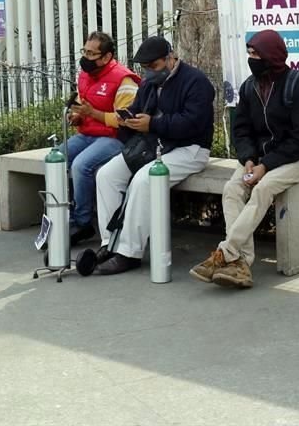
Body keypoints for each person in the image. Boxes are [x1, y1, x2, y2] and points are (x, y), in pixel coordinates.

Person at [189, 29, 299, 289]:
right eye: (249, 53)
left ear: (272, 55)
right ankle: (240, 263)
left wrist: (265, 166)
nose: (252, 59)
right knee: (232, 189)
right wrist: (248, 158)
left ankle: (225, 253)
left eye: (256, 54)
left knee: (263, 189)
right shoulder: (250, 86)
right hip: (258, 160)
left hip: (298, 159)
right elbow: (241, 129)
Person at [89, 35, 216, 275]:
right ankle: (110, 243)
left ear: (170, 57)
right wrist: (128, 120)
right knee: (106, 175)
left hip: (190, 149)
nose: (149, 72)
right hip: (152, 145)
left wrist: (153, 124)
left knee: (144, 180)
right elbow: (138, 109)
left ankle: (129, 253)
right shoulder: (148, 83)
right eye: (145, 67)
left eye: (154, 66)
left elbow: (193, 123)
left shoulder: (196, 81)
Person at [66, 32, 140, 244]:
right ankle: (60, 215)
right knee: (55, 159)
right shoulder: (85, 75)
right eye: (84, 51)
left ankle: (82, 223)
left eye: (91, 53)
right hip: (87, 134)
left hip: (115, 138)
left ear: (107, 57)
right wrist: (78, 117)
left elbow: (126, 119)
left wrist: (93, 113)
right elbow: (84, 106)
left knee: (81, 165)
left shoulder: (124, 80)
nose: (85, 57)